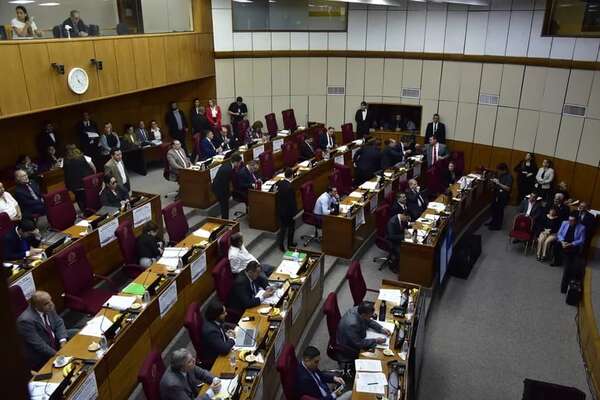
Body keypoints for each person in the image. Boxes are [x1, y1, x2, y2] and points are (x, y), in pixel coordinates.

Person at [17, 291, 70, 371]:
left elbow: (58, 322)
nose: (51, 304)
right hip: (42, 354)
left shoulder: (49, 306)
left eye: (50, 300)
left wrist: (63, 341)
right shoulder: (25, 321)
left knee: (77, 333)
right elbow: (39, 345)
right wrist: (58, 354)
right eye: (46, 303)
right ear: (36, 306)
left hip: (55, 341)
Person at [553, 214, 586, 289]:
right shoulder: (565, 223)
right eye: (569, 220)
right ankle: (557, 261)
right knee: (556, 246)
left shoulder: (582, 227)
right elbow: (559, 233)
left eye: (572, 220)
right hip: (563, 242)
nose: (570, 222)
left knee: (571, 260)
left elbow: (582, 240)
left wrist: (571, 244)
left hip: (573, 245)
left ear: (576, 221)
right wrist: (562, 241)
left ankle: (568, 266)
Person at [201, 300, 236, 367]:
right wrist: (232, 338)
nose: (226, 314)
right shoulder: (211, 332)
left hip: (221, 346)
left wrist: (225, 334)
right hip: (217, 358)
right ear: (216, 315)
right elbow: (225, 349)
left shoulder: (214, 321)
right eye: (223, 313)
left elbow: (220, 328)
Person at [64, 145, 95, 212]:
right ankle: (90, 210)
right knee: (87, 197)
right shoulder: (82, 157)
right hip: (84, 182)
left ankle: (84, 211)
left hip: (74, 185)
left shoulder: (66, 161)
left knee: (79, 198)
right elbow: (90, 168)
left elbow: (66, 175)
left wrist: (68, 187)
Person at [211, 153, 242, 219]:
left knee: (225, 206)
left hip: (220, 186)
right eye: (239, 163)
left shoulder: (228, 165)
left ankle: (225, 220)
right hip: (219, 189)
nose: (240, 164)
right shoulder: (228, 170)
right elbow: (225, 184)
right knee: (224, 206)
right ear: (236, 162)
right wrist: (229, 195)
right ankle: (225, 222)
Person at [486, 163, 513, 231]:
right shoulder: (501, 174)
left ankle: (497, 226)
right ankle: (493, 222)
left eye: (500, 170)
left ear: (504, 170)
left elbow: (508, 188)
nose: (498, 172)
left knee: (499, 211)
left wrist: (498, 183)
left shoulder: (509, 177)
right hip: (496, 194)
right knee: (493, 209)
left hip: (503, 196)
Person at [276, 168, 297, 251]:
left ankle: (281, 245)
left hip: (281, 210)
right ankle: (290, 245)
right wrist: (294, 212)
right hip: (288, 212)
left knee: (283, 229)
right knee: (291, 228)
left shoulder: (280, 183)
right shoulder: (290, 187)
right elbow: (291, 202)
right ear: (291, 176)